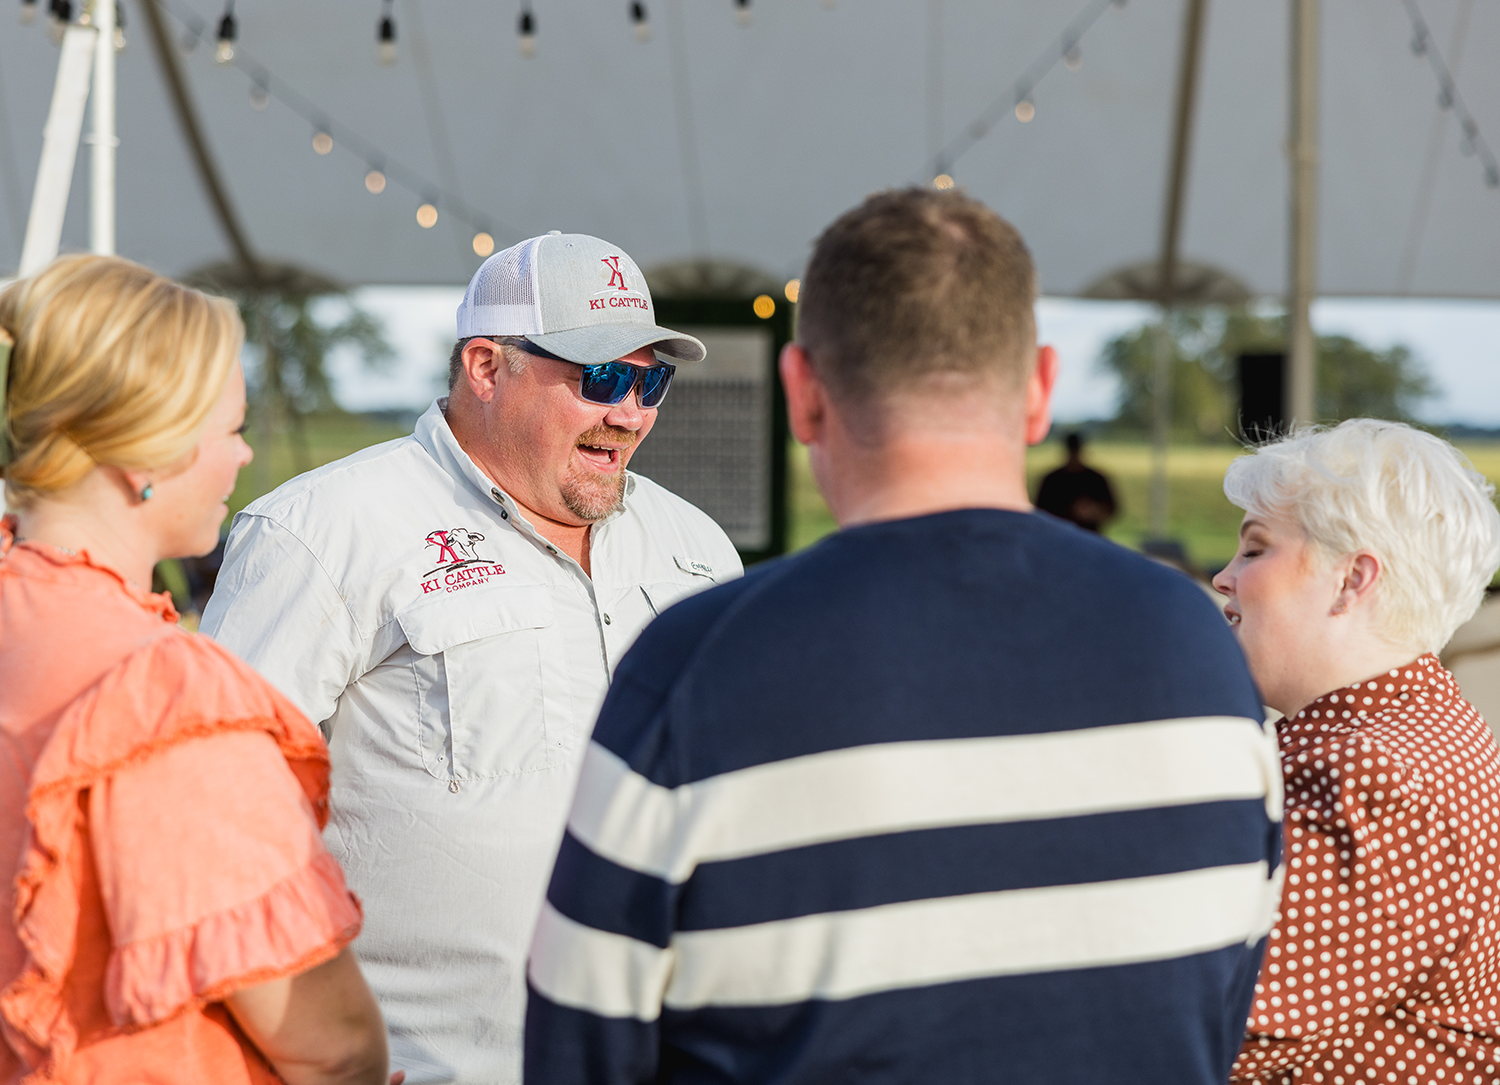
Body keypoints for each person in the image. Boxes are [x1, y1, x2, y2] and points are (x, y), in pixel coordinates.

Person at [524, 190, 1284, 1085]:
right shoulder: (1205, 652)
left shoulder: (693, 666)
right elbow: (1221, 1009)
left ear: (803, 394)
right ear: (1040, 388)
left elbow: (583, 1050)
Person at [201, 233, 742, 1084]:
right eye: (602, 376)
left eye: (652, 380)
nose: (631, 411)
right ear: (487, 366)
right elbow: (218, 826)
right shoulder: (320, 531)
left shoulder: (698, 548)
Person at [0, 255, 388, 1085]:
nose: (244, 455)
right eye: (230, 428)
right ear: (150, 452)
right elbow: (333, 1040)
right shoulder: (163, 696)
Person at [1212, 420, 1500, 1083]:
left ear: (1352, 580)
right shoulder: (1424, 727)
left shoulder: (1375, 776)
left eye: (1255, 550)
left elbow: (1211, 1011)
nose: (1225, 577)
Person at [1035, 431, 1116, 532]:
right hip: (1065, 535)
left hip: (1080, 536)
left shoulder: (1052, 478)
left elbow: (1112, 509)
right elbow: (1040, 510)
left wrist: (1093, 510)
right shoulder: (1052, 479)